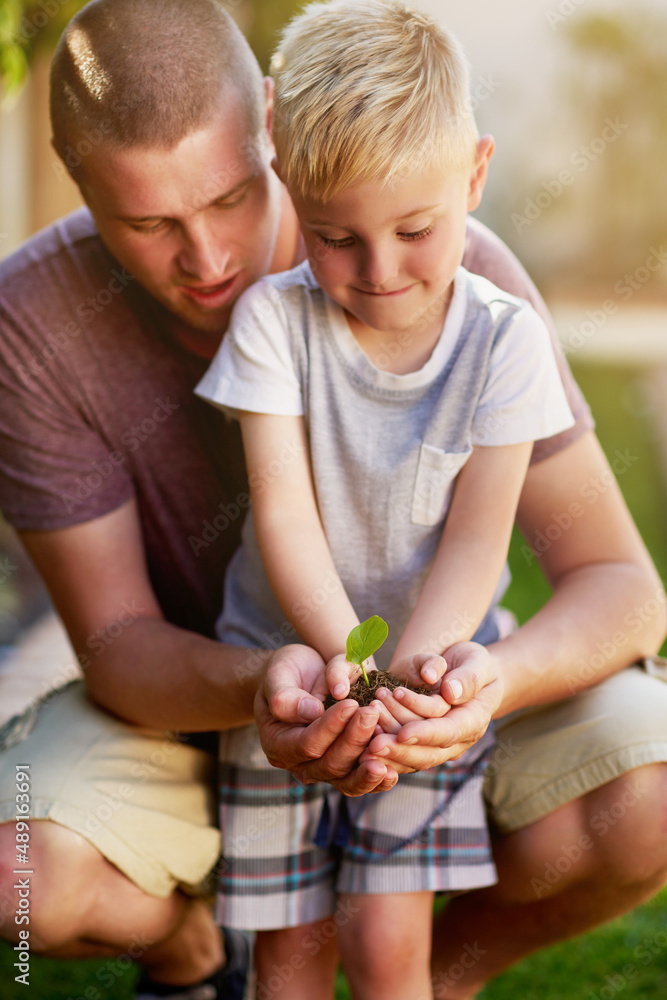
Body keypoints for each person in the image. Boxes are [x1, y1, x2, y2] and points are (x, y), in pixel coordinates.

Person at [0, 0, 663, 998]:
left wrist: (462, 681)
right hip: (223, 694)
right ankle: (190, 958)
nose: (208, 257)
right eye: (148, 222)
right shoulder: (50, 323)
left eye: (229, 198)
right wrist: (295, 680)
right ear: (76, 175)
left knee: (634, 803)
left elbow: (614, 583)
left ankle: (440, 978)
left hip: (416, 680)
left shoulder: (468, 289)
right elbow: (122, 637)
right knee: (37, 887)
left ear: (269, 126)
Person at [194, 3, 575, 995]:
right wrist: (343, 671)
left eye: (415, 229)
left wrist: (409, 677)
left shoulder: (504, 338)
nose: (380, 272)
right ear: (289, 187)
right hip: (290, 688)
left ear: (475, 176)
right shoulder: (275, 324)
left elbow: (479, 532)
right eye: (335, 238)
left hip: (427, 688)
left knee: (387, 945)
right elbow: (282, 511)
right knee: (291, 951)